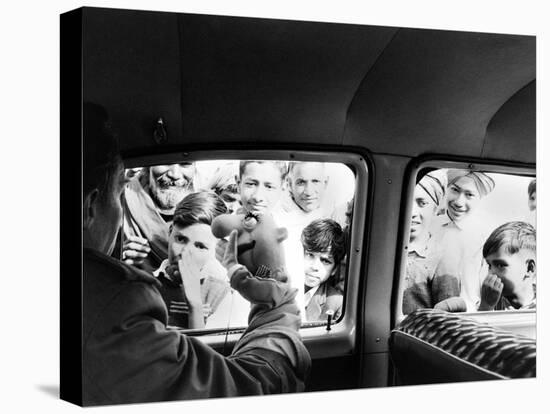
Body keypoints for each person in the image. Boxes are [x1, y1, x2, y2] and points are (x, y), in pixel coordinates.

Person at [81, 103, 310, 405]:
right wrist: (273, 300)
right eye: (118, 194)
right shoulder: (114, 307)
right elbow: (252, 394)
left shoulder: (225, 288)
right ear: (89, 207)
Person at [153, 191, 231, 329]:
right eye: (181, 239)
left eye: (200, 246)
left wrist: (195, 305)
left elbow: (204, 350)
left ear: (217, 248)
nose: (185, 254)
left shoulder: (220, 294)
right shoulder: (149, 285)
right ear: (170, 232)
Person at [435, 169, 496, 311]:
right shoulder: (427, 227)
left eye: (469, 195)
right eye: (455, 190)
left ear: (479, 198)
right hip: (429, 317)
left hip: (470, 318)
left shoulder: (486, 236)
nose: (458, 202)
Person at [402, 173, 463, 314]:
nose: (413, 211)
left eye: (422, 203)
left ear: (435, 209)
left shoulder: (441, 258)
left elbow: (448, 320)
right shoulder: (382, 250)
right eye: (407, 201)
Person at [121, 162, 196, 273]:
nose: (175, 174)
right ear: (149, 166)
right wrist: (119, 259)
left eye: (185, 164)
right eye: (165, 162)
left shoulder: (202, 208)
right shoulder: (123, 199)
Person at [478, 221, 536, 311]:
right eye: (489, 265)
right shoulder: (489, 303)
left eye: (500, 265)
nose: (491, 273)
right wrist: (486, 307)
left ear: (529, 268)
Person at [301, 219, 346, 322]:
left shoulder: (337, 304)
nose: (315, 266)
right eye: (310, 255)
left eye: (325, 261)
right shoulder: (276, 285)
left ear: (334, 269)